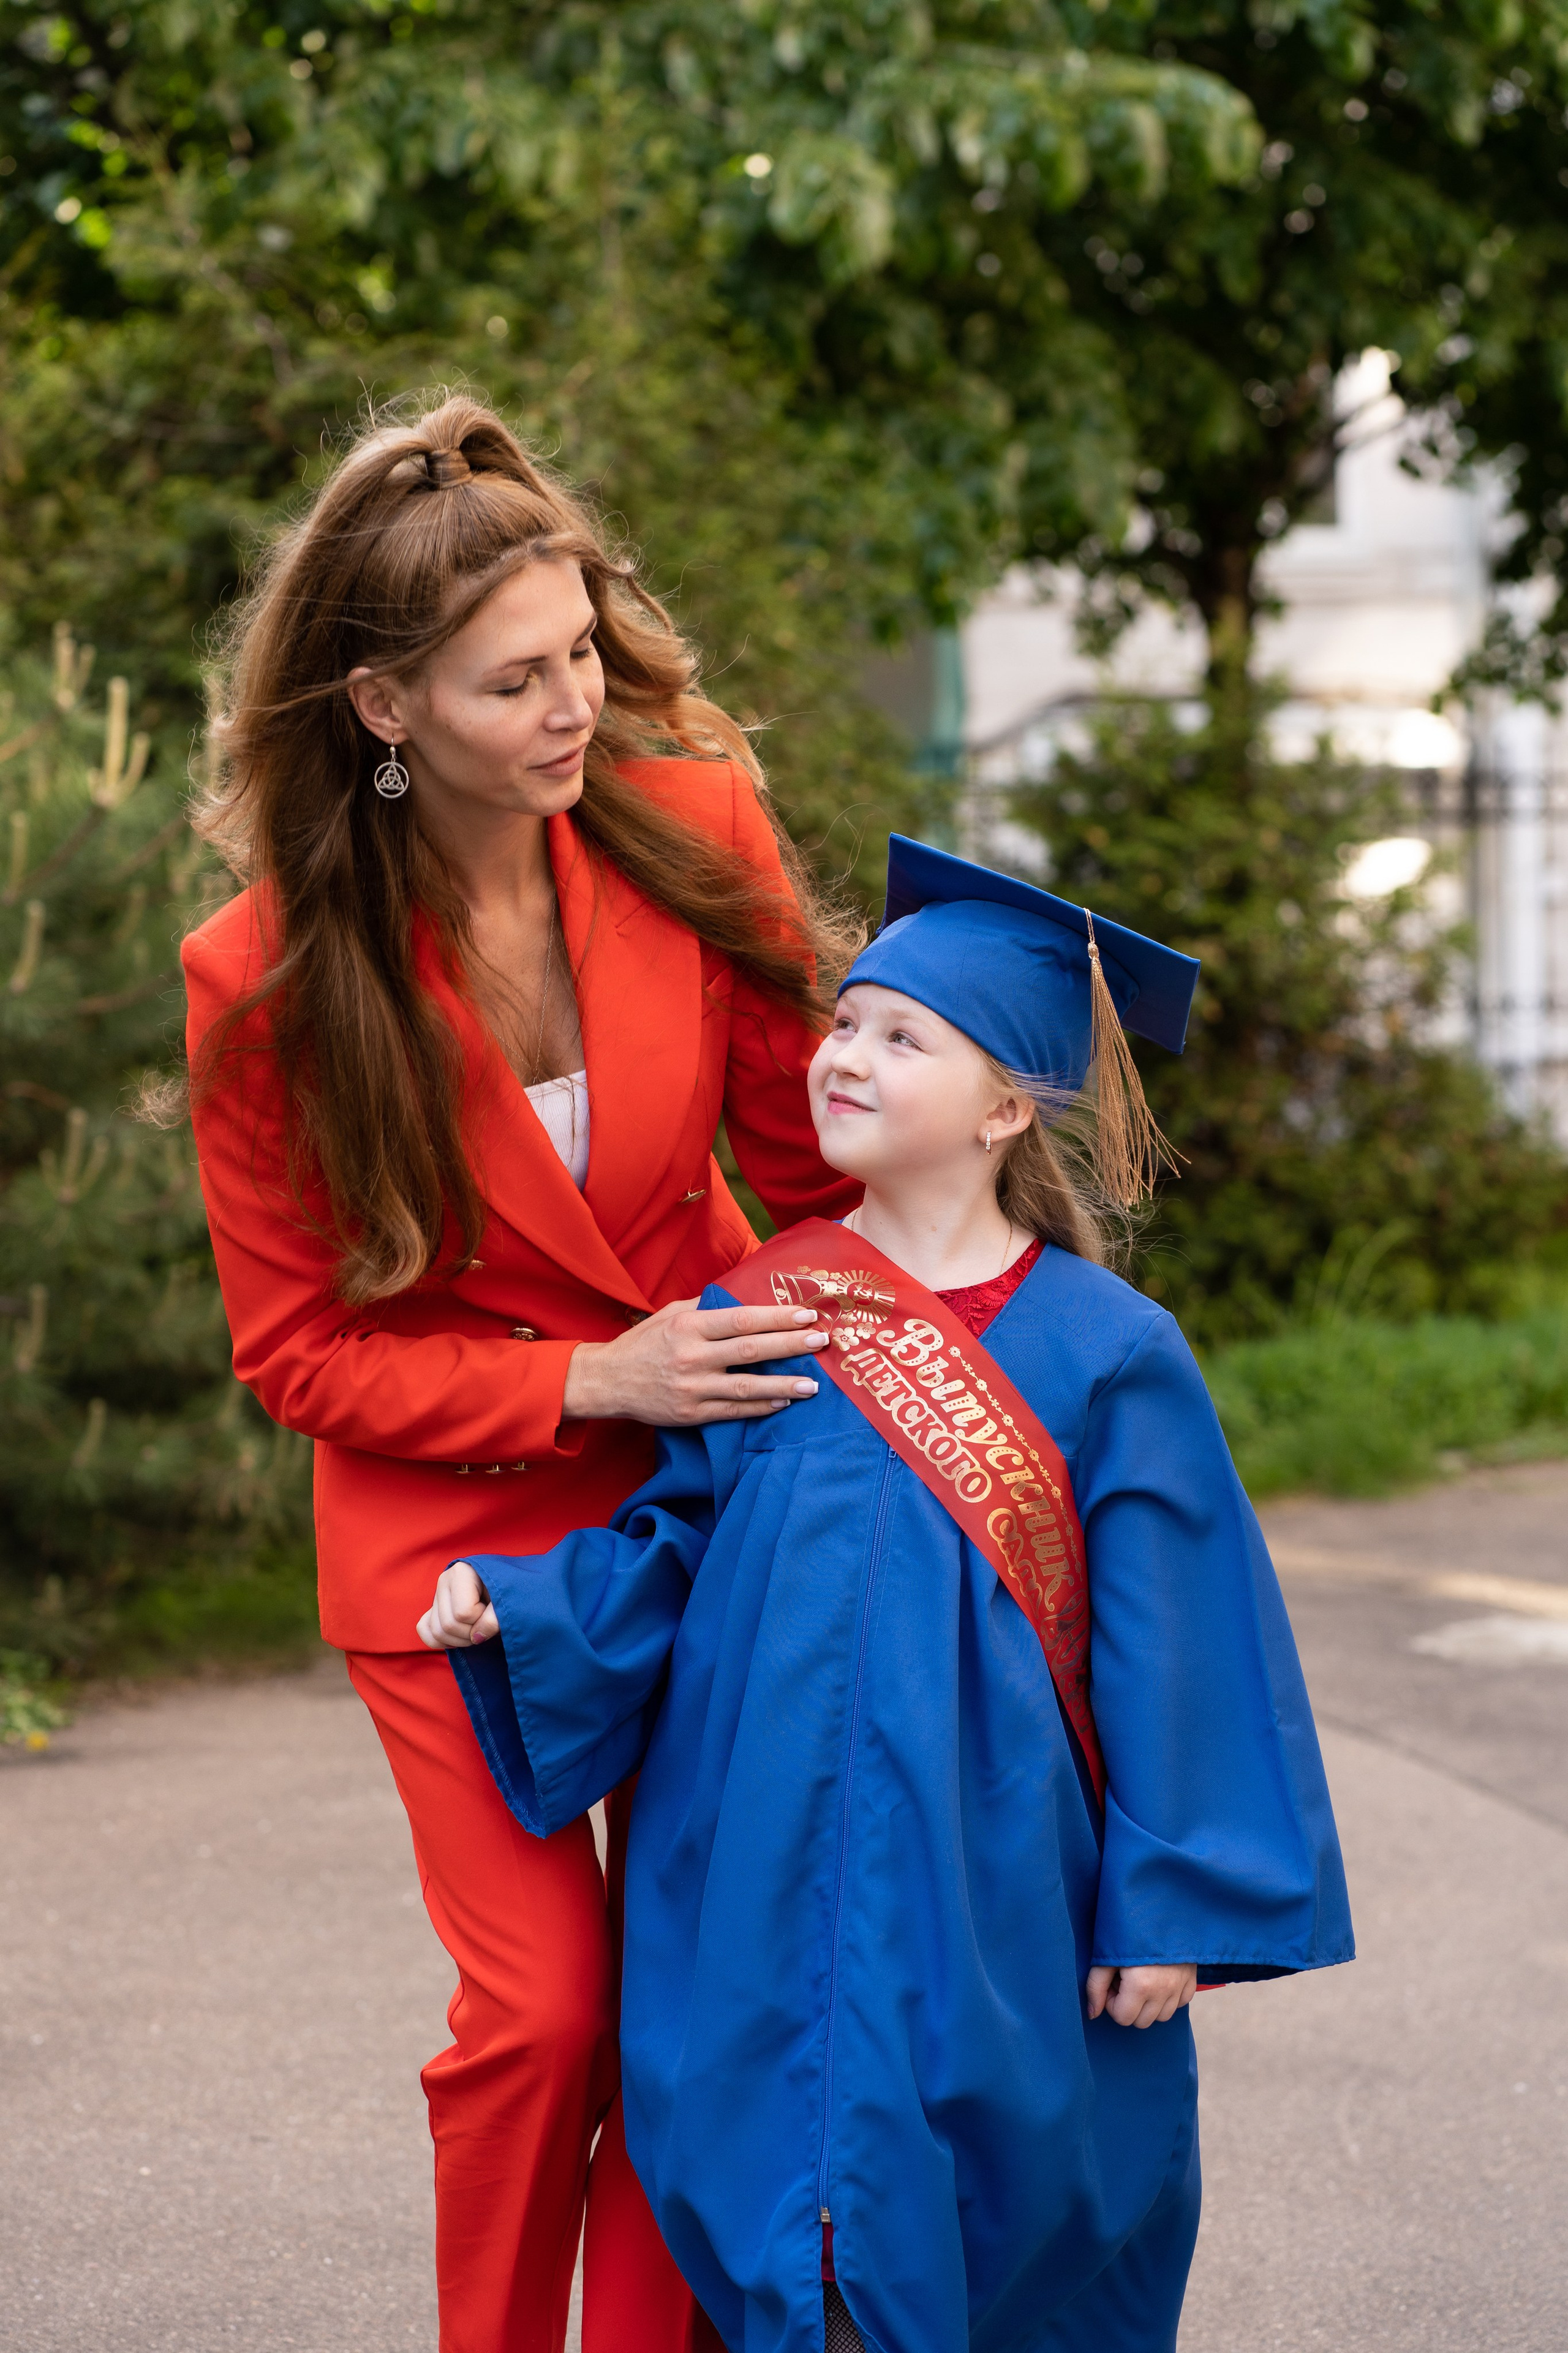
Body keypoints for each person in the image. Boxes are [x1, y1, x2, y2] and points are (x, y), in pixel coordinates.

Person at [420, 836, 1355, 2353]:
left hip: (995, 1877)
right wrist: (527, 1614)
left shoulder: (1106, 1353)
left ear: (1001, 1109)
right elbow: (674, 1544)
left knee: (985, 2185)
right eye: (843, 1023)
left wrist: (1168, 1904)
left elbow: (1179, 1650)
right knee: (782, 2162)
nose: (842, 1054)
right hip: (758, 1851)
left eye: (899, 1036)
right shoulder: (759, 1311)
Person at [180, 389, 862, 2353]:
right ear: (385, 710)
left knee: (683, 2000)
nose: (573, 707)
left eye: (578, 651)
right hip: (456, 1544)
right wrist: (588, 1383)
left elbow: (804, 1171)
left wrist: (963, 1330)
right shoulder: (270, 976)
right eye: (512, 684)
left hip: (705, 1492)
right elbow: (297, 1351)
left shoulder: (692, 819)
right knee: (545, 2008)